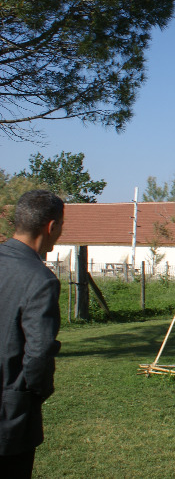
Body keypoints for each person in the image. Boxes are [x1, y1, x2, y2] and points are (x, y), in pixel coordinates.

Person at [0, 190, 65, 478]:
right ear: (51, 226)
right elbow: (38, 353)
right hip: (9, 415)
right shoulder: (40, 280)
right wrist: (37, 392)